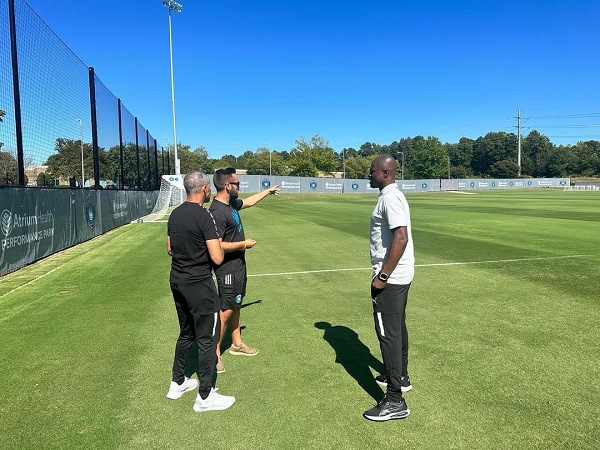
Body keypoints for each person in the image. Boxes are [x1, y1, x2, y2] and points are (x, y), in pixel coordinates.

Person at [166, 170, 235, 412]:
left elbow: (169, 248)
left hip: (177, 281)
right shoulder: (204, 216)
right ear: (205, 189)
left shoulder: (175, 214)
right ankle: (205, 397)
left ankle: (177, 382)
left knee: (186, 333)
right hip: (199, 284)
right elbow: (216, 257)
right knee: (207, 339)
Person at [209, 168, 280, 373]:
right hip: (227, 268)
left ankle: (237, 344)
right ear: (227, 186)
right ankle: (213, 354)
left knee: (236, 304)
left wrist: (267, 191)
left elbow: (248, 202)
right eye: (237, 184)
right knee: (226, 310)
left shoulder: (230, 204)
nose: (240, 187)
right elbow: (217, 245)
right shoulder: (216, 211)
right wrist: (243, 244)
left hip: (239, 265)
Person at [363, 154, 414, 422]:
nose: (368, 175)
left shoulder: (390, 198)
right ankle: (401, 376)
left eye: (372, 171)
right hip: (400, 275)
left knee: (388, 335)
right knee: (397, 328)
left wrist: (382, 275)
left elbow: (401, 237)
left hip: (391, 279)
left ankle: (395, 400)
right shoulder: (391, 196)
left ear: (385, 172)